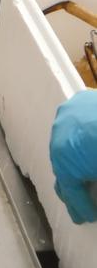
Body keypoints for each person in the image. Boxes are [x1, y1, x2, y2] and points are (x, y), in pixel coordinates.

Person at [50, 90, 97, 224]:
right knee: (80, 209)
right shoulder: (66, 158)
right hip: (67, 149)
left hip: (84, 100)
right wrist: (92, 216)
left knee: (71, 194)